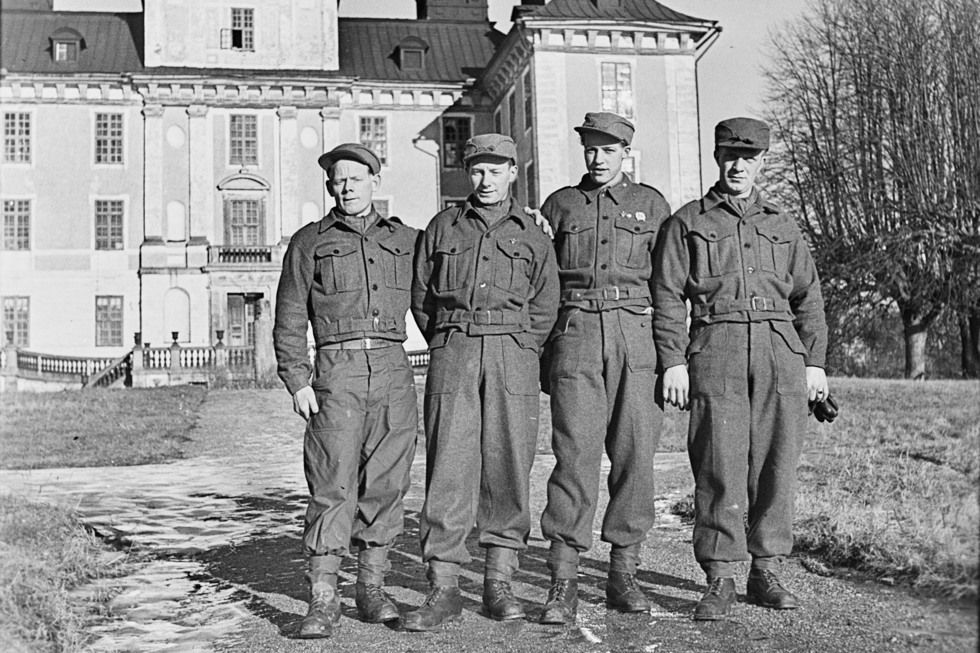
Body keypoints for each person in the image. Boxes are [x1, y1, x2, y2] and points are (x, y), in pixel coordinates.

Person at [652, 117, 829, 620]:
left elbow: (808, 298)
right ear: (716, 158)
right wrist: (672, 361)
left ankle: (766, 569)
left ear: (763, 162)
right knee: (719, 463)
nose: (739, 165)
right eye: (730, 154)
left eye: (749, 157)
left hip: (780, 350)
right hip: (717, 346)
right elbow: (666, 297)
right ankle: (721, 575)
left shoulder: (783, 225)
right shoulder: (687, 223)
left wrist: (814, 361)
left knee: (776, 464)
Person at [406, 133, 559, 631]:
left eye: (496, 170)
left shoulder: (533, 234)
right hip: (455, 351)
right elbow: (422, 298)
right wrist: (452, 339)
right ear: (467, 174)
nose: (485, 179)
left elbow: (545, 304)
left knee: (508, 463)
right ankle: (443, 587)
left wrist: (520, 347)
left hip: (513, 354)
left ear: (513, 172)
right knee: (448, 464)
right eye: (477, 170)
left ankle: (499, 581)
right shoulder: (443, 226)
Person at [273, 143, 420, 638]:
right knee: (332, 480)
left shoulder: (406, 240)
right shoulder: (309, 242)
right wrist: (297, 378)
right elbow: (290, 315)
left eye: (357, 178)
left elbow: (441, 289)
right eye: (338, 179)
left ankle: (371, 589)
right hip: (336, 370)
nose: (347, 186)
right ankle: (322, 599)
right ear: (330, 186)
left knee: (386, 481)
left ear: (375, 181)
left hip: (393, 366)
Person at [532, 112, 672, 624]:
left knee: (635, 454)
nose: (597, 158)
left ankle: (623, 573)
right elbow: (540, 281)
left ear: (625, 153)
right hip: (577, 334)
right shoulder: (560, 205)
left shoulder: (651, 205)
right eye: (590, 148)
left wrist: (673, 355)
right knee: (575, 455)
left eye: (608, 150)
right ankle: (563, 579)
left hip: (637, 336)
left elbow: (670, 284)